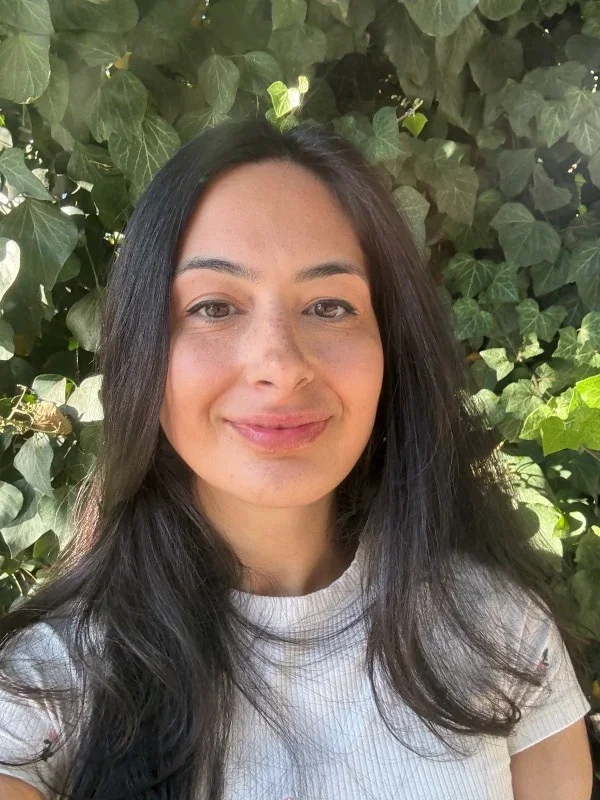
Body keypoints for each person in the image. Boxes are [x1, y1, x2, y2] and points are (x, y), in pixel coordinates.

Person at [0, 116, 593, 800]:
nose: (280, 366)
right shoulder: (41, 699)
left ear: (390, 347)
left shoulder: (500, 636)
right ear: (143, 354)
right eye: (216, 307)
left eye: (329, 306)